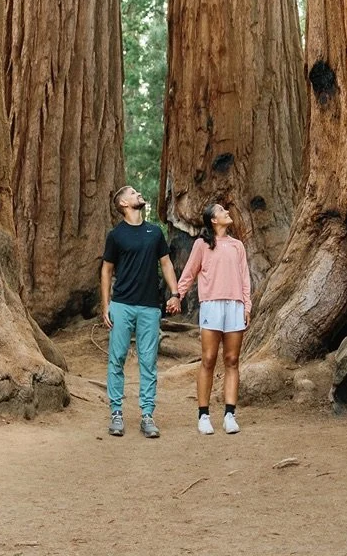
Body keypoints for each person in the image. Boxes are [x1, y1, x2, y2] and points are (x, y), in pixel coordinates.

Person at [100, 184, 181, 438]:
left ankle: (147, 415)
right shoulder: (116, 235)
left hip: (149, 307)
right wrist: (106, 304)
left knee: (148, 362)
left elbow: (166, 264)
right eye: (133, 193)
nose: (138, 194)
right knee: (117, 359)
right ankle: (116, 413)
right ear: (123, 204)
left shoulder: (154, 232)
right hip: (122, 305)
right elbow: (106, 270)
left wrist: (175, 293)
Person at [176, 202, 251, 435]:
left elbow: (245, 277)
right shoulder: (202, 245)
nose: (227, 212)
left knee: (232, 359)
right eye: (221, 211)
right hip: (211, 305)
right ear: (213, 220)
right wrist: (177, 295)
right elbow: (189, 273)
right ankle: (203, 415)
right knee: (208, 358)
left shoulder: (237, 246)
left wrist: (247, 305)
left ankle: (230, 415)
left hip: (235, 305)